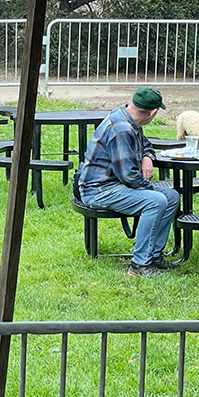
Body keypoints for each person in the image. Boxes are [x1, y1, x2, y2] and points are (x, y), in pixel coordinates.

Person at [75, 87, 181, 279]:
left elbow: (145, 143)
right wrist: (153, 189)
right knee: (156, 201)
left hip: (115, 184)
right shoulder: (121, 129)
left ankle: (154, 256)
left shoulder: (127, 116)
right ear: (153, 112)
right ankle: (139, 265)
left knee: (171, 196)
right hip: (99, 189)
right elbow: (129, 177)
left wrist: (147, 157)